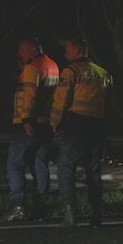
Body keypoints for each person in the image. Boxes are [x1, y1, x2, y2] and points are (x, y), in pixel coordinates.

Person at [50, 38, 113, 227]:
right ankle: (96, 215)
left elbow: (61, 101)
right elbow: (110, 104)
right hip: (98, 125)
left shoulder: (70, 72)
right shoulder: (103, 73)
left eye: (68, 50)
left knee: (65, 166)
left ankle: (70, 213)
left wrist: (55, 123)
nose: (65, 55)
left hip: (77, 123)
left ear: (77, 51)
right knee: (93, 170)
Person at [5, 38, 60, 221]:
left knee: (14, 164)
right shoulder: (53, 66)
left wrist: (26, 120)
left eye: (23, 49)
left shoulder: (32, 67)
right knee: (40, 164)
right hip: (46, 123)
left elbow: (30, 94)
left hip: (28, 123)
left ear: (34, 49)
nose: (20, 53)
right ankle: (41, 206)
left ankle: (18, 206)